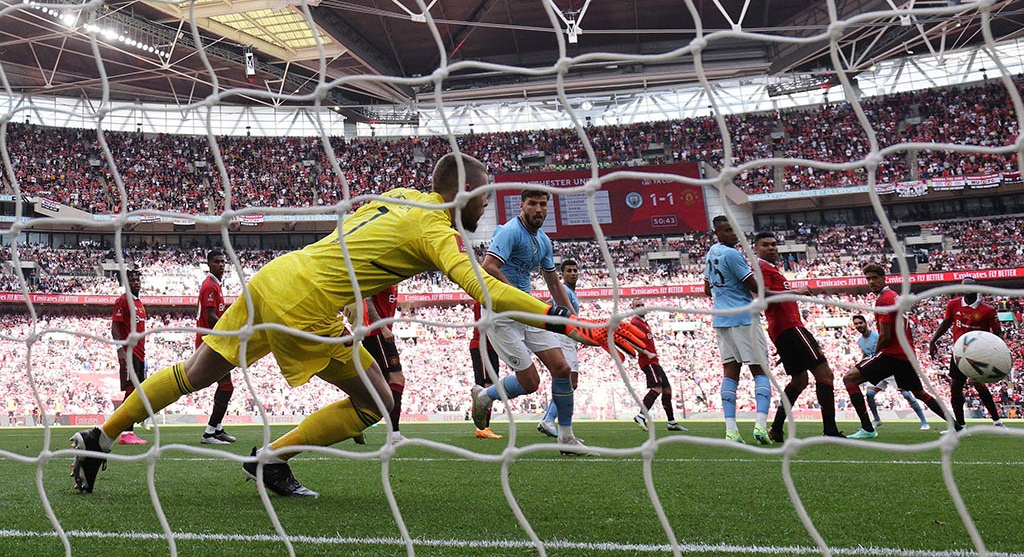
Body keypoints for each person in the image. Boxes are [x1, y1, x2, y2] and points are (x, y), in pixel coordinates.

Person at [71, 153, 643, 496]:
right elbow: (483, 288)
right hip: (307, 299)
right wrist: (577, 327)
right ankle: (269, 461)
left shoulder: (399, 198)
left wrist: (358, 298)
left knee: (195, 372)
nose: (485, 207)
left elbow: (358, 238)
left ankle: (97, 438)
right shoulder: (437, 230)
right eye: (482, 196)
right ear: (463, 194)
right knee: (375, 401)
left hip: (274, 276)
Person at [471, 190, 592, 454]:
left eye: (543, 204)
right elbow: (488, 265)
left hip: (527, 310)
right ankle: (483, 396)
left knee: (562, 369)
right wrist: (513, 294)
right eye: (533, 204)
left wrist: (575, 320)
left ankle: (567, 438)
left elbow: (553, 283)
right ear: (522, 205)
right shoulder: (510, 231)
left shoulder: (544, 241)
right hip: (501, 313)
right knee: (530, 383)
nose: (539, 209)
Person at [843, 264, 952, 439]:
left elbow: (885, 336)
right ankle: (956, 426)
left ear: (883, 278)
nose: (871, 282)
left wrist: (875, 355)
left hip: (892, 354)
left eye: (874, 278)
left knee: (849, 379)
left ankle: (868, 429)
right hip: (906, 355)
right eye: (868, 279)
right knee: (919, 393)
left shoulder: (884, 299)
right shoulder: (894, 296)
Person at [751, 232, 842, 441]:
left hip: (784, 330)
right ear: (756, 248)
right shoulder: (762, 268)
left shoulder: (772, 269)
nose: (772, 248)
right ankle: (830, 431)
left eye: (774, 244)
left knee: (800, 380)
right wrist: (797, 292)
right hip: (790, 327)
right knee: (825, 374)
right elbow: (762, 294)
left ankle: (776, 428)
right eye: (766, 245)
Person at [704, 216, 772, 445]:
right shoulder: (733, 254)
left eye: (736, 230)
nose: (734, 234)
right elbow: (754, 286)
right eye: (728, 230)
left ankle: (731, 431)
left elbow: (706, 289)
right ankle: (761, 426)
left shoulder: (711, 252)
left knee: (730, 374)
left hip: (721, 319)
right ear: (718, 233)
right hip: (743, 318)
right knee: (760, 371)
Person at [928, 277, 1005, 429]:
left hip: (979, 354)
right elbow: (946, 323)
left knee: (979, 385)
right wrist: (933, 340)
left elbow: (998, 333)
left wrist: (999, 353)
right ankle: (961, 426)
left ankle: (997, 422)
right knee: (955, 388)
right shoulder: (953, 304)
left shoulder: (988, 310)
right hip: (959, 353)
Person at [345, 285, 407, 443]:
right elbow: (369, 300)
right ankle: (394, 432)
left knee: (377, 385)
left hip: (375, 334)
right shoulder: (387, 277)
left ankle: (353, 423)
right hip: (377, 334)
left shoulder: (394, 282)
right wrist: (383, 328)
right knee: (396, 378)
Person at [851, 314, 931, 430]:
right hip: (876, 370)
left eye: (860, 323)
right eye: (856, 324)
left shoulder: (877, 335)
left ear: (866, 323)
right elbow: (866, 355)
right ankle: (877, 420)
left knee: (907, 394)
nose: (859, 325)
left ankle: (924, 422)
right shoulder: (860, 341)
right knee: (869, 394)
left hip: (888, 368)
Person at [537, 259, 584, 438]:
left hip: (567, 338)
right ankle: (550, 420)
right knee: (570, 382)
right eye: (569, 271)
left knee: (569, 382)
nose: (573, 273)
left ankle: (550, 420)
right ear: (562, 275)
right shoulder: (564, 290)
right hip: (564, 337)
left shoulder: (570, 292)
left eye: (575, 270)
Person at [196, 250, 237, 445]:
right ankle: (210, 432)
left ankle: (216, 428)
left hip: (214, 342)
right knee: (226, 386)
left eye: (223, 261)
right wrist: (229, 331)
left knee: (225, 385)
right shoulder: (210, 286)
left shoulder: (216, 285)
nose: (221, 264)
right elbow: (211, 316)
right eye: (217, 262)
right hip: (210, 343)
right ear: (209, 264)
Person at [631, 298, 686, 433]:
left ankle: (671, 422)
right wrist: (646, 353)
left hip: (654, 361)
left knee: (667, 389)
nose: (641, 307)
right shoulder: (635, 322)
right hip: (647, 361)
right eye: (637, 305)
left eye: (642, 304)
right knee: (657, 388)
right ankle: (641, 416)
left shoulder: (644, 322)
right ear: (633, 308)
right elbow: (631, 342)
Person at [111, 269, 147, 446]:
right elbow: (115, 327)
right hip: (129, 352)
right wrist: (120, 350)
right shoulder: (123, 300)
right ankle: (125, 431)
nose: (136, 282)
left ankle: (123, 429)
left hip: (140, 354)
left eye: (137, 279)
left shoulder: (138, 302)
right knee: (131, 392)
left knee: (135, 392)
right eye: (132, 280)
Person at [470, 302, 502, 439]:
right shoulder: (482, 301)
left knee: (491, 385)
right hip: (482, 345)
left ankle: (484, 426)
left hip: (491, 347)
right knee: (484, 386)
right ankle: (482, 427)